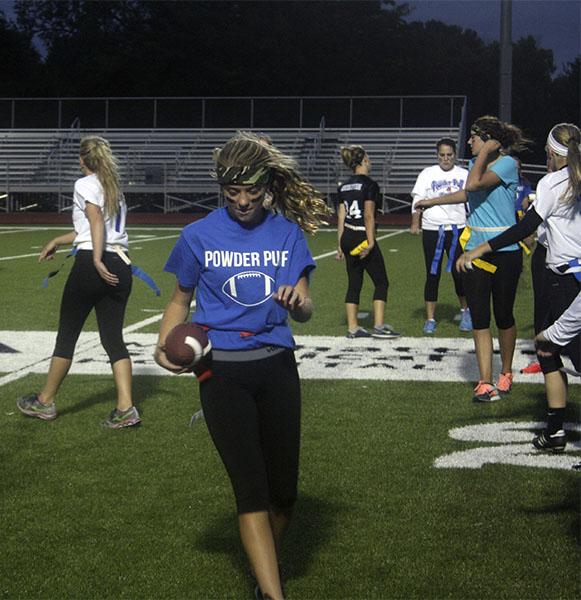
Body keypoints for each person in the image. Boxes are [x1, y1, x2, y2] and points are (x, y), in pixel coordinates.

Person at [154, 132, 330, 600]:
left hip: (276, 365)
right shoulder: (197, 235)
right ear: (221, 189)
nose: (244, 200)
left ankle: (262, 568)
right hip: (221, 371)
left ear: (267, 184)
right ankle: (273, 594)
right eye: (233, 193)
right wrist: (161, 344)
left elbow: (307, 307)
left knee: (284, 494)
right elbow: (179, 300)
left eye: (252, 191)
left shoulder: (288, 234)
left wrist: (299, 302)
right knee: (250, 488)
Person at [457, 123, 581, 453]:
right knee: (547, 349)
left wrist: (481, 249)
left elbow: (525, 226)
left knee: (560, 351)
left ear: (555, 154)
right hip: (566, 276)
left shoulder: (554, 182)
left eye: (547, 153)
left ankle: (556, 430)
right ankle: (555, 431)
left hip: (567, 280)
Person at [17, 136, 139, 428]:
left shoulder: (84, 184)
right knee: (113, 339)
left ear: (83, 159)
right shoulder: (113, 187)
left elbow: (95, 223)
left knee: (67, 335)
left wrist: (95, 260)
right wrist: (58, 240)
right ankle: (126, 408)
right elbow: (91, 229)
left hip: (92, 264)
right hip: (121, 263)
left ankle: (45, 401)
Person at [415, 115, 527, 402]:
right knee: (479, 317)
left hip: (505, 252)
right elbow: (466, 193)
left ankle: (507, 372)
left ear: (488, 139)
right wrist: (431, 202)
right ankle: (484, 381)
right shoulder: (474, 167)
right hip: (474, 251)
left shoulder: (507, 164)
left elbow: (475, 185)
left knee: (503, 315)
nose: (468, 141)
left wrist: (488, 152)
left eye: (474, 137)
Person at [335, 145, 400, 339]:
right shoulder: (370, 185)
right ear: (363, 160)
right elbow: (369, 216)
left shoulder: (343, 186)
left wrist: (339, 244)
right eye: (368, 157)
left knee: (354, 282)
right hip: (362, 236)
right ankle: (379, 326)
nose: (370, 160)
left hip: (347, 236)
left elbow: (341, 216)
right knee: (381, 282)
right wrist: (371, 242)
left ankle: (353, 327)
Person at [410, 138, 471, 334]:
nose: (446, 159)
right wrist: (415, 221)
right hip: (432, 230)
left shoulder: (464, 174)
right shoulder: (427, 174)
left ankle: (465, 311)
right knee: (432, 273)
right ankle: (430, 318)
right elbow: (418, 200)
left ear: (455, 155)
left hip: (458, 229)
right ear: (437, 156)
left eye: (449, 155)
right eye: (442, 155)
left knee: (459, 273)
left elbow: (472, 201)